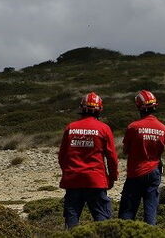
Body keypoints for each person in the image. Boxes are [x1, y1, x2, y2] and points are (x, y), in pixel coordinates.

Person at [58, 92, 119, 229]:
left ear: (82, 108)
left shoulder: (71, 128)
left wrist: (67, 173)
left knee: (72, 218)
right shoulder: (104, 129)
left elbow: (62, 156)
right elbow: (112, 158)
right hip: (96, 180)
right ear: (100, 109)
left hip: (73, 179)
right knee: (102, 219)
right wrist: (112, 177)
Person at [118, 90, 165, 225]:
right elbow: (163, 148)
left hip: (135, 172)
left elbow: (125, 150)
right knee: (151, 208)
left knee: (127, 211)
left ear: (138, 106)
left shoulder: (133, 127)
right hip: (154, 171)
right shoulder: (163, 128)